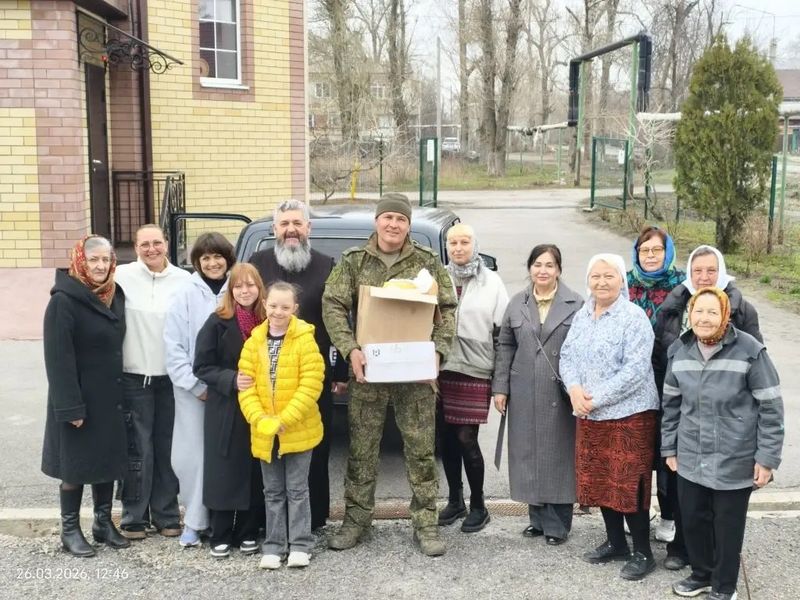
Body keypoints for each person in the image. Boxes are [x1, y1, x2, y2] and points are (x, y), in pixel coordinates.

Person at [322, 192, 457, 557]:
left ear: (408, 225)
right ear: (377, 221)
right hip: (369, 373)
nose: (393, 225)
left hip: (416, 376)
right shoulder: (354, 261)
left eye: (400, 219)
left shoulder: (426, 262)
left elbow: (447, 308)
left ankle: (425, 525)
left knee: (421, 452)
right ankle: (356, 521)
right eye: (387, 218)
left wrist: (438, 353)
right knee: (362, 451)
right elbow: (333, 304)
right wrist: (350, 349)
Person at [662, 288, 784, 600]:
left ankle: (724, 585)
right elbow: (671, 405)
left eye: (712, 312)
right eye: (698, 311)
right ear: (690, 314)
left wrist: (767, 459)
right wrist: (669, 448)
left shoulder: (750, 351)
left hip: (735, 456)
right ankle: (701, 574)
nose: (704, 318)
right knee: (693, 519)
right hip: (690, 455)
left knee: (727, 527)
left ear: (725, 315)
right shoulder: (679, 350)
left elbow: (770, 408)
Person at [653, 243, 762, 567]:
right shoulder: (674, 306)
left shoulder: (742, 309)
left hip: (726, 413)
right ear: (689, 273)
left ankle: (717, 557)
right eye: (697, 271)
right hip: (684, 409)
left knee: (719, 490)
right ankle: (682, 549)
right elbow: (661, 355)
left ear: (722, 272)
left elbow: (756, 361)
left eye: (710, 270)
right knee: (683, 485)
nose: (704, 277)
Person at [559, 254, 660, 581]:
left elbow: (635, 369)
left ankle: (643, 552)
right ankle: (616, 542)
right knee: (600, 479)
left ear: (621, 280)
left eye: (609, 276)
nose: (601, 282)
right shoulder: (582, 315)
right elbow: (567, 355)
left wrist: (594, 399)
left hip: (630, 415)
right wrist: (574, 389)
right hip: (589, 413)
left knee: (630, 484)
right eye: (596, 276)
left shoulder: (634, 318)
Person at [250, 198, 348, 531]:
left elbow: (337, 321)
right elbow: (246, 315)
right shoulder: (257, 263)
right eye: (284, 224)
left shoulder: (326, 265)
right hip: (266, 379)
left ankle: (314, 519)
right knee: (268, 447)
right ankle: (269, 523)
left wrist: (340, 371)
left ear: (309, 228)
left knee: (315, 449)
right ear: (274, 229)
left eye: (297, 223)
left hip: (311, 380)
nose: (291, 229)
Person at [41, 235, 130, 557]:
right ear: (80, 260)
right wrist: (70, 407)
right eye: (94, 260)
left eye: (105, 260)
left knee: (106, 462)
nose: (100, 266)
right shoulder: (63, 301)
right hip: (78, 399)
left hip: (110, 395)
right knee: (74, 467)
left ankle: (103, 524)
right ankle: (69, 530)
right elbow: (58, 359)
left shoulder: (113, 294)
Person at [493, 244, 583, 546]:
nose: (542, 271)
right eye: (537, 265)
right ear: (529, 268)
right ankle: (537, 519)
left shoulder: (576, 303)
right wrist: (500, 388)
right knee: (528, 453)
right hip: (524, 390)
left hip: (560, 393)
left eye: (549, 265)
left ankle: (558, 525)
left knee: (557, 456)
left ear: (559, 269)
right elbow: (505, 345)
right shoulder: (517, 302)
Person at [238, 281, 325, 570]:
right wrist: (261, 420)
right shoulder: (253, 342)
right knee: (272, 491)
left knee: (297, 489)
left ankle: (301, 544)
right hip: (265, 432)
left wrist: (284, 419)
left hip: (297, 429)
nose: (278, 311)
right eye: (273, 305)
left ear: (295, 309)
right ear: (265, 304)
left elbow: (311, 384)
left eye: (285, 307)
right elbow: (246, 387)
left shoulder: (305, 340)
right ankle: (274, 545)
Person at [115, 224, 190, 539]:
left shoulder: (184, 281)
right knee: (137, 449)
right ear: (135, 247)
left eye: (156, 243)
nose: (151, 249)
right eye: (144, 244)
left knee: (167, 448)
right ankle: (134, 516)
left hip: (171, 380)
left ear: (167, 244)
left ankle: (166, 514)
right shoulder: (121, 277)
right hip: (134, 377)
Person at [163, 232, 236, 548]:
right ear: (197, 262)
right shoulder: (184, 294)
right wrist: (194, 385)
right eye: (205, 257)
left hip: (231, 389)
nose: (213, 262)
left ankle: (228, 522)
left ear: (227, 258)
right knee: (192, 458)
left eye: (218, 256)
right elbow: (173, 345)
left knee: (226, 456)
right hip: (193, 391)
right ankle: (194, 522)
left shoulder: (239, 288)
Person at [436, 224, 508, 533]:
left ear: (474, 245)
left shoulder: (491, 282)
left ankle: (479, 505)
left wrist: (500, 382)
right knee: (447, 440)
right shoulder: (436, 278)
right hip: (441, 369)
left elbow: (503, 334)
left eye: (464, 242)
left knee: (467, 438)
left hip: (476, 370)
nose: (458, 247)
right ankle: (455, 501)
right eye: (453, 242)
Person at [193, 263, 267, 559]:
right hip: (226, 407)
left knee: (254, 468)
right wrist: (231, 379)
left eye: (250, 285)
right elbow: (201, 366)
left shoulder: (268, 321)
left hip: (261, 407)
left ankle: (248, 531)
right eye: (238, 286)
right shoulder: (217, 321)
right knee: (224, 470)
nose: (245, 290)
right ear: (230, 290)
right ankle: (220, 532)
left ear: (259, 288)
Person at [626, 225, 686, 564]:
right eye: (645, 250)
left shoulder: (681, 287)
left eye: (657, 250)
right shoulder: (625, 285)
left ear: (668, 252)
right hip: (632, 385)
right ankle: (635, 515)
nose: (650, 256)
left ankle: (668, 517)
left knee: (667, 456)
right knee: (636, 454)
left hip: (669, 383)